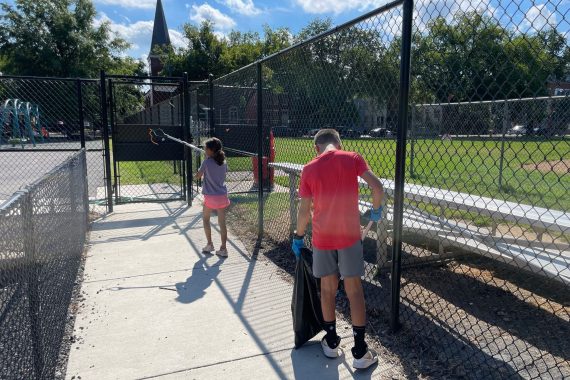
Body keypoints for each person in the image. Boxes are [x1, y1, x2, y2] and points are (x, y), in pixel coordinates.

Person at [292, 129, 384, 370]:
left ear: (317, 147)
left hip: (323, 239)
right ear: (339, 143)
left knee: (328, 289)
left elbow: (304, 210)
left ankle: (332, 343)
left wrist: (299, 236)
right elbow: (378, 187)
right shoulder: (352, 158)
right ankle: (361, 352)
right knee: (354, 292)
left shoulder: (309, 168)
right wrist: (376, 210)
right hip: (350, 237)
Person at [196, 138, 230, 257]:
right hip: (222, 196)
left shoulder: (206, 162)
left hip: (210, 197)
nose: (204, 150)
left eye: (206, 148)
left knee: (206, 219)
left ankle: (209, 244)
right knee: (222, 223)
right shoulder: (224, 162)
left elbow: (197, 176)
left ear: (211, 150)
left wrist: (203, 164)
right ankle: (223, 249)